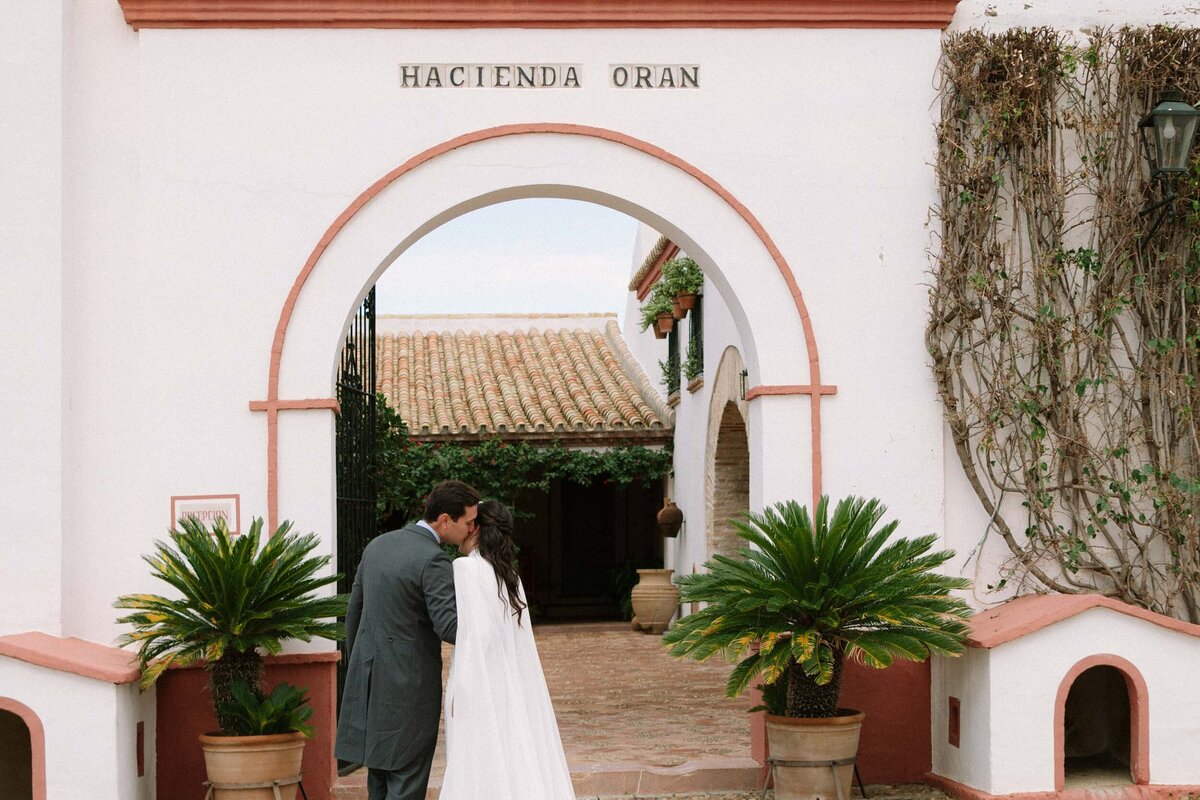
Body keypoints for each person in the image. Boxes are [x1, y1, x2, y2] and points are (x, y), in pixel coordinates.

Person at [335, 480, 480, 800]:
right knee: (407, 784)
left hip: (370, 682)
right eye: (468, 522)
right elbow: (450, 628)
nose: (472, 530)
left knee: (380, 779)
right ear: (445, 520)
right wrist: (494, 619)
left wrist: (360, 664)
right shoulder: (434, 559)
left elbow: (354, 615)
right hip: (410, 691)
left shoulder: (377, 545)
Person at [439, 499, 576, 800]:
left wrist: (458, 688)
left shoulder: (464, 568)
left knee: (480, 758)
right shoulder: (510, 578)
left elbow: (475, 637)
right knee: (514, 753)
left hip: (481, 683)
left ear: (475, 528)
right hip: (513, 684)